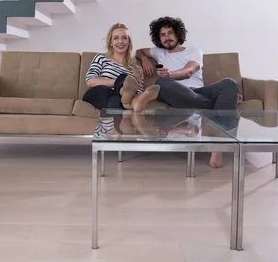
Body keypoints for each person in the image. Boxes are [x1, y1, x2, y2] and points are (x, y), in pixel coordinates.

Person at [136, 16, 240, 168]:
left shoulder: (193, 51)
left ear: (178, 34)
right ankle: (223, 102)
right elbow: (138, 51)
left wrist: (170, 74)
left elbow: (189, 71)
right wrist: (145, 59)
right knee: (161, 83)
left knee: (229, 84)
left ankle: (217, 146)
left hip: (198, 92)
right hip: (174, 92)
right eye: (163, 35)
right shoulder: (158, 52)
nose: (167, 37)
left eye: (170, 33)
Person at [83, 23, 160, 113]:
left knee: (118, 98)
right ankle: (128, 98)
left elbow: (138, 91)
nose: (120, 41)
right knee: (123, 79)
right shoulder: (101, 58)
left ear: (129, 42)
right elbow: (90, 81)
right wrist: (118, 82)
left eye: (124, 38)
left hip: (117, 101)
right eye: (116, 38)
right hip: (98, 93)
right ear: (111, 42)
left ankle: (128, 101)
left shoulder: (137, 68)